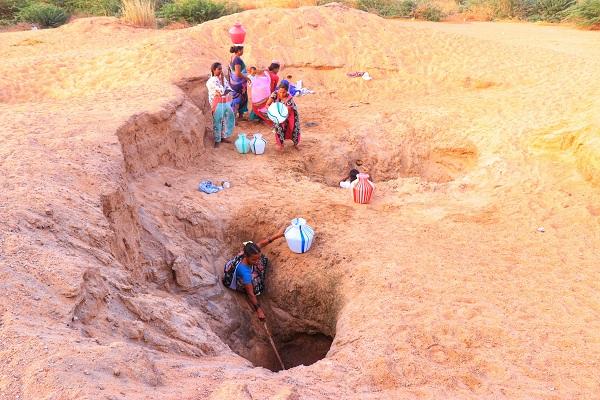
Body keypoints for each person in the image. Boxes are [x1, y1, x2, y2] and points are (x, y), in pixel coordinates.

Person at [222, 229, 286, 320]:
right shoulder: (246, 273)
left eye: (257, 258)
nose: (256, 261)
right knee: (255, 283)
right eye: (254, 260)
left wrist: (278, 235)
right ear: (246, 256)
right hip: (233, 280)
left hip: (234, 269)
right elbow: (250, 294)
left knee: (262, 260)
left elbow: (263, 243)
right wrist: (259, 310)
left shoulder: (248, 251)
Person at [265, 81, 301, 150]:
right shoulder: (275, 94)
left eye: (283, 92)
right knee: (278, 127)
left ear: (287, 91)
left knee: (293, 128)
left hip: (290, 114)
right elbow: (267, 105)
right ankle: (280, 144)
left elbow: (287, 112)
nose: (281, 94)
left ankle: (295, 143)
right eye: (280, 92)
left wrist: (279, 116)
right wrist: (272, 110)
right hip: (278, 113)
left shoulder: (289, 98)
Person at [206, 62, 234, 148]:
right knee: (217, 120)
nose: (220, 70)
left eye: (221, 69)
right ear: (214, 70)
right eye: (219, 69)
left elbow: (228, 88)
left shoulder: (222, 79)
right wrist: (223, 91)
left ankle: (223, 137)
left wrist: (225, 91)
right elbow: (220, 91)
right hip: (217, 103)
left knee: (226, 119)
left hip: (225, 101)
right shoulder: (211, 81)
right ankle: (217, 140)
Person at [228, 45, 250, 120]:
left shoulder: (232, 57)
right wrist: (246, 77)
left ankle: (240, 115)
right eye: (242, 50)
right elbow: (237, 73)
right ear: (239, 51)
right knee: (238, 99)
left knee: (241, 98)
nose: (243, 52)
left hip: (235, 82)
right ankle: (233, 117)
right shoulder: (237, 60)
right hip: (238, 84)